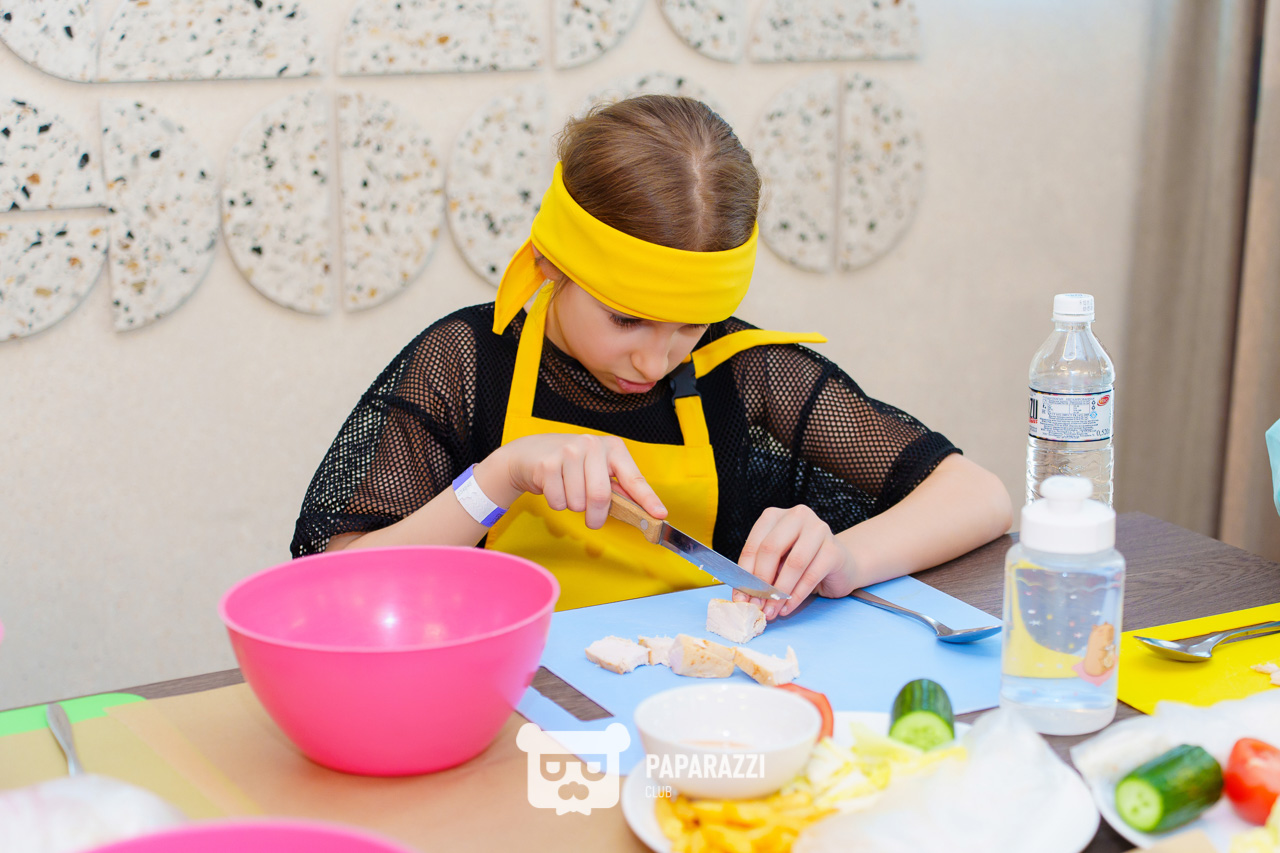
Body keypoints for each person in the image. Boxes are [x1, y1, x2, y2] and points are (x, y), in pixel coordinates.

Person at [291, 95, 1013, 617]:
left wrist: (846, 558)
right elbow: (337, 585)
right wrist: (500, 477)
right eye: (626, 318)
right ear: (549, 266)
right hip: (507, 707)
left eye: (691, 324)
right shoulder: (467, 361)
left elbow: (980, 497)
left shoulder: (742, 369)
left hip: (693, 703)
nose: (653, 360)